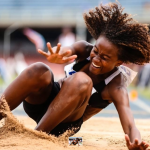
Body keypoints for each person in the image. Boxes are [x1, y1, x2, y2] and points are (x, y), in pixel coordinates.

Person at [0, 2, 150, 150]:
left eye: (104, 58)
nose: (96, 59)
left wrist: (135, 141)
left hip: (64, 127)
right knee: (39, 69)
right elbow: (67, 49)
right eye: (96, 51)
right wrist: (58, 54)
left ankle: (36, 136)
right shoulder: (84, 49)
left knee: (82, 80)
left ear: (118, 62)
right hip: (42, 106)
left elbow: (130, 125)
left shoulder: (116, 86)